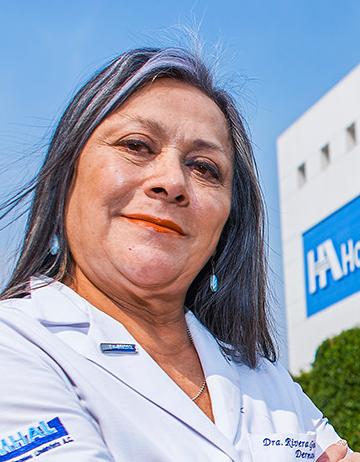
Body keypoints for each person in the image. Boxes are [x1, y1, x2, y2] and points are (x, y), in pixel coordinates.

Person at [0, 47, 358, 462]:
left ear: (229, 218)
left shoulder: (263, 377)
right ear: (66, 175)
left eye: (204, 167)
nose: (172, 182)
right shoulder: (17, 345)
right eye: (136, 145)